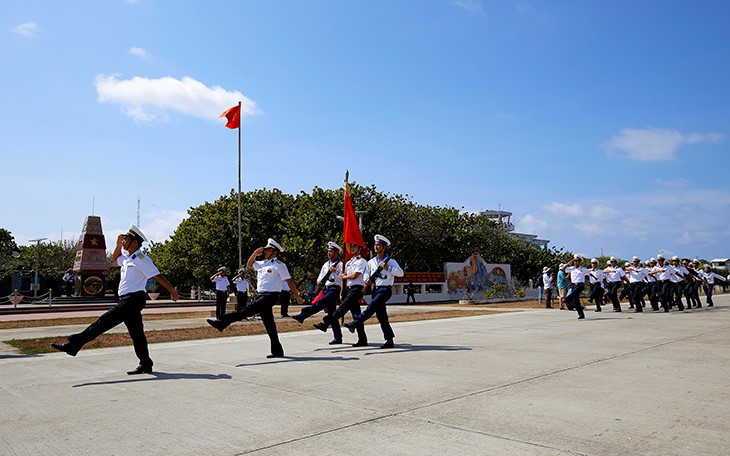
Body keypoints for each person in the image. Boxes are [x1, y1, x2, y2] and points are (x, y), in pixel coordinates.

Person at [51, 225, 179, 375]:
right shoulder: (127, 259)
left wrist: (172, 291)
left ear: (135, 243)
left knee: (103, 322)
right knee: (137, 334)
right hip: (127, 299)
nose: (124, 241)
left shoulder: (141, 259)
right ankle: (146, 363)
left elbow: (157, 276)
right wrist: (118, 244)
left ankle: (74, 344)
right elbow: (115, 258)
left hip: (133, 299)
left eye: (127, 239)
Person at [207, 238, 303, 358]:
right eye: (265, 250)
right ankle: (277, 350)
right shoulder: (263, 263)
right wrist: (254, 254)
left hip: (270, 295)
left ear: (275, 252)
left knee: (247, 311)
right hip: (261, 294)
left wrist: (297, 296)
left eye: (268, 250)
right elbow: (249, 264)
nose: (265, 252)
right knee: (269, 324)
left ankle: (222, 322)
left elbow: (289, 281)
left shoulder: (280, 265)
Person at [344, 234, 403, 348]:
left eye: (378, 245)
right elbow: (366, 272)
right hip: (375, 289)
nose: (376, 247)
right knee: (381, 316)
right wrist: (366, 279)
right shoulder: (371, 262)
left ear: (384, 247)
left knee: (371, 306)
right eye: (375, 245)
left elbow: (400, 273)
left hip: (385, 289)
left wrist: (388, 268)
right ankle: (389, 339)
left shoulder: (390, 261)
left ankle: (355, 323)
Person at [291, 242, 344, 345]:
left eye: (331, 251)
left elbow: (343, 278)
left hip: (335, 288)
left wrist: (336, 272)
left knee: (320, 303)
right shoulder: (326, 264)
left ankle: (303, 315)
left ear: (336, 253)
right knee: (331, 313)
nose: (329, 253)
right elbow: (320, 277)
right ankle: (338, 337)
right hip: (326, 288)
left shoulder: (341, 264)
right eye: (328, 251)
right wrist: (319, 282)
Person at [317, 243, 369, 347]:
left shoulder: (362, 262)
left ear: (360, 248)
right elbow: (344, 278)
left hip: (357, 289)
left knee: (342, 308)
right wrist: (342, 291)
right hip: (349, 289)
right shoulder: (349, 262)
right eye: (352, 246)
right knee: (356, 315)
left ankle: (326, 323)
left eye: (355, 246)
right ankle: (362, 339)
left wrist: (345, 277)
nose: (352, 248)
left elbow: (355, 275)